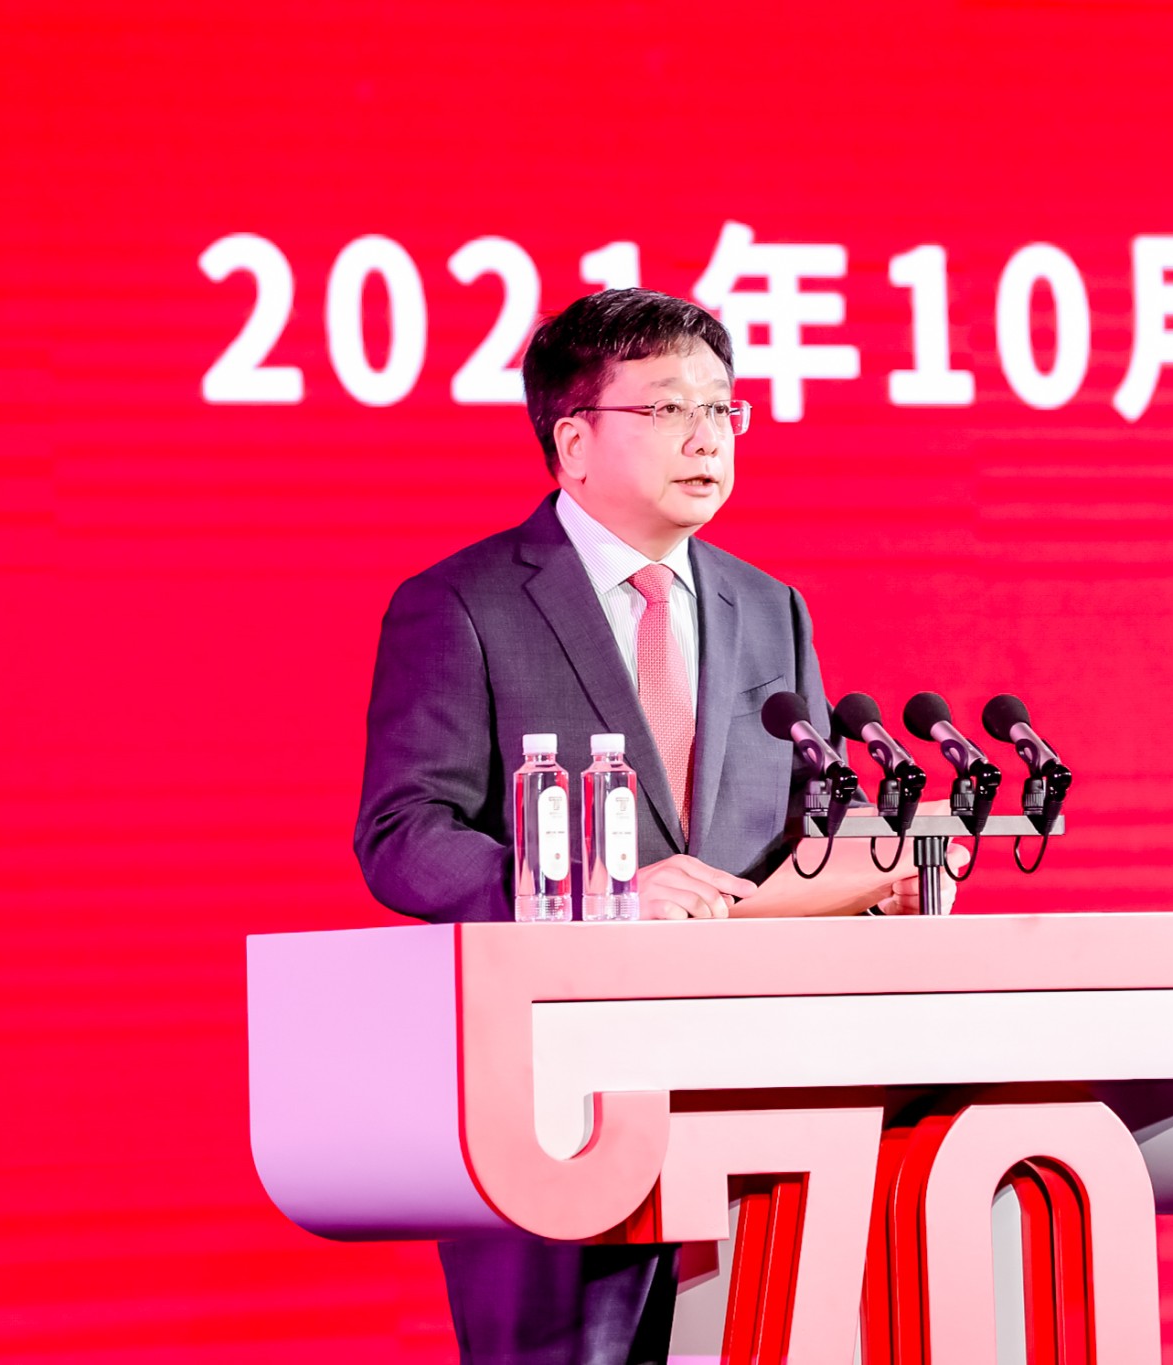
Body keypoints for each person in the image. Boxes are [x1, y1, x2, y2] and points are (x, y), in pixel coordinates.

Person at [353, 288, 937, 1365]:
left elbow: (809, 818)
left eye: (722, 407)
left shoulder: (769, 606)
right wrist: (602, 892)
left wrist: (879, 872)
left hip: (757, 1086)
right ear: (573, 441)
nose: (707, 436)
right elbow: (404, 834)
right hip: (558, 1097)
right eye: (668, 408)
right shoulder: (464, 603)